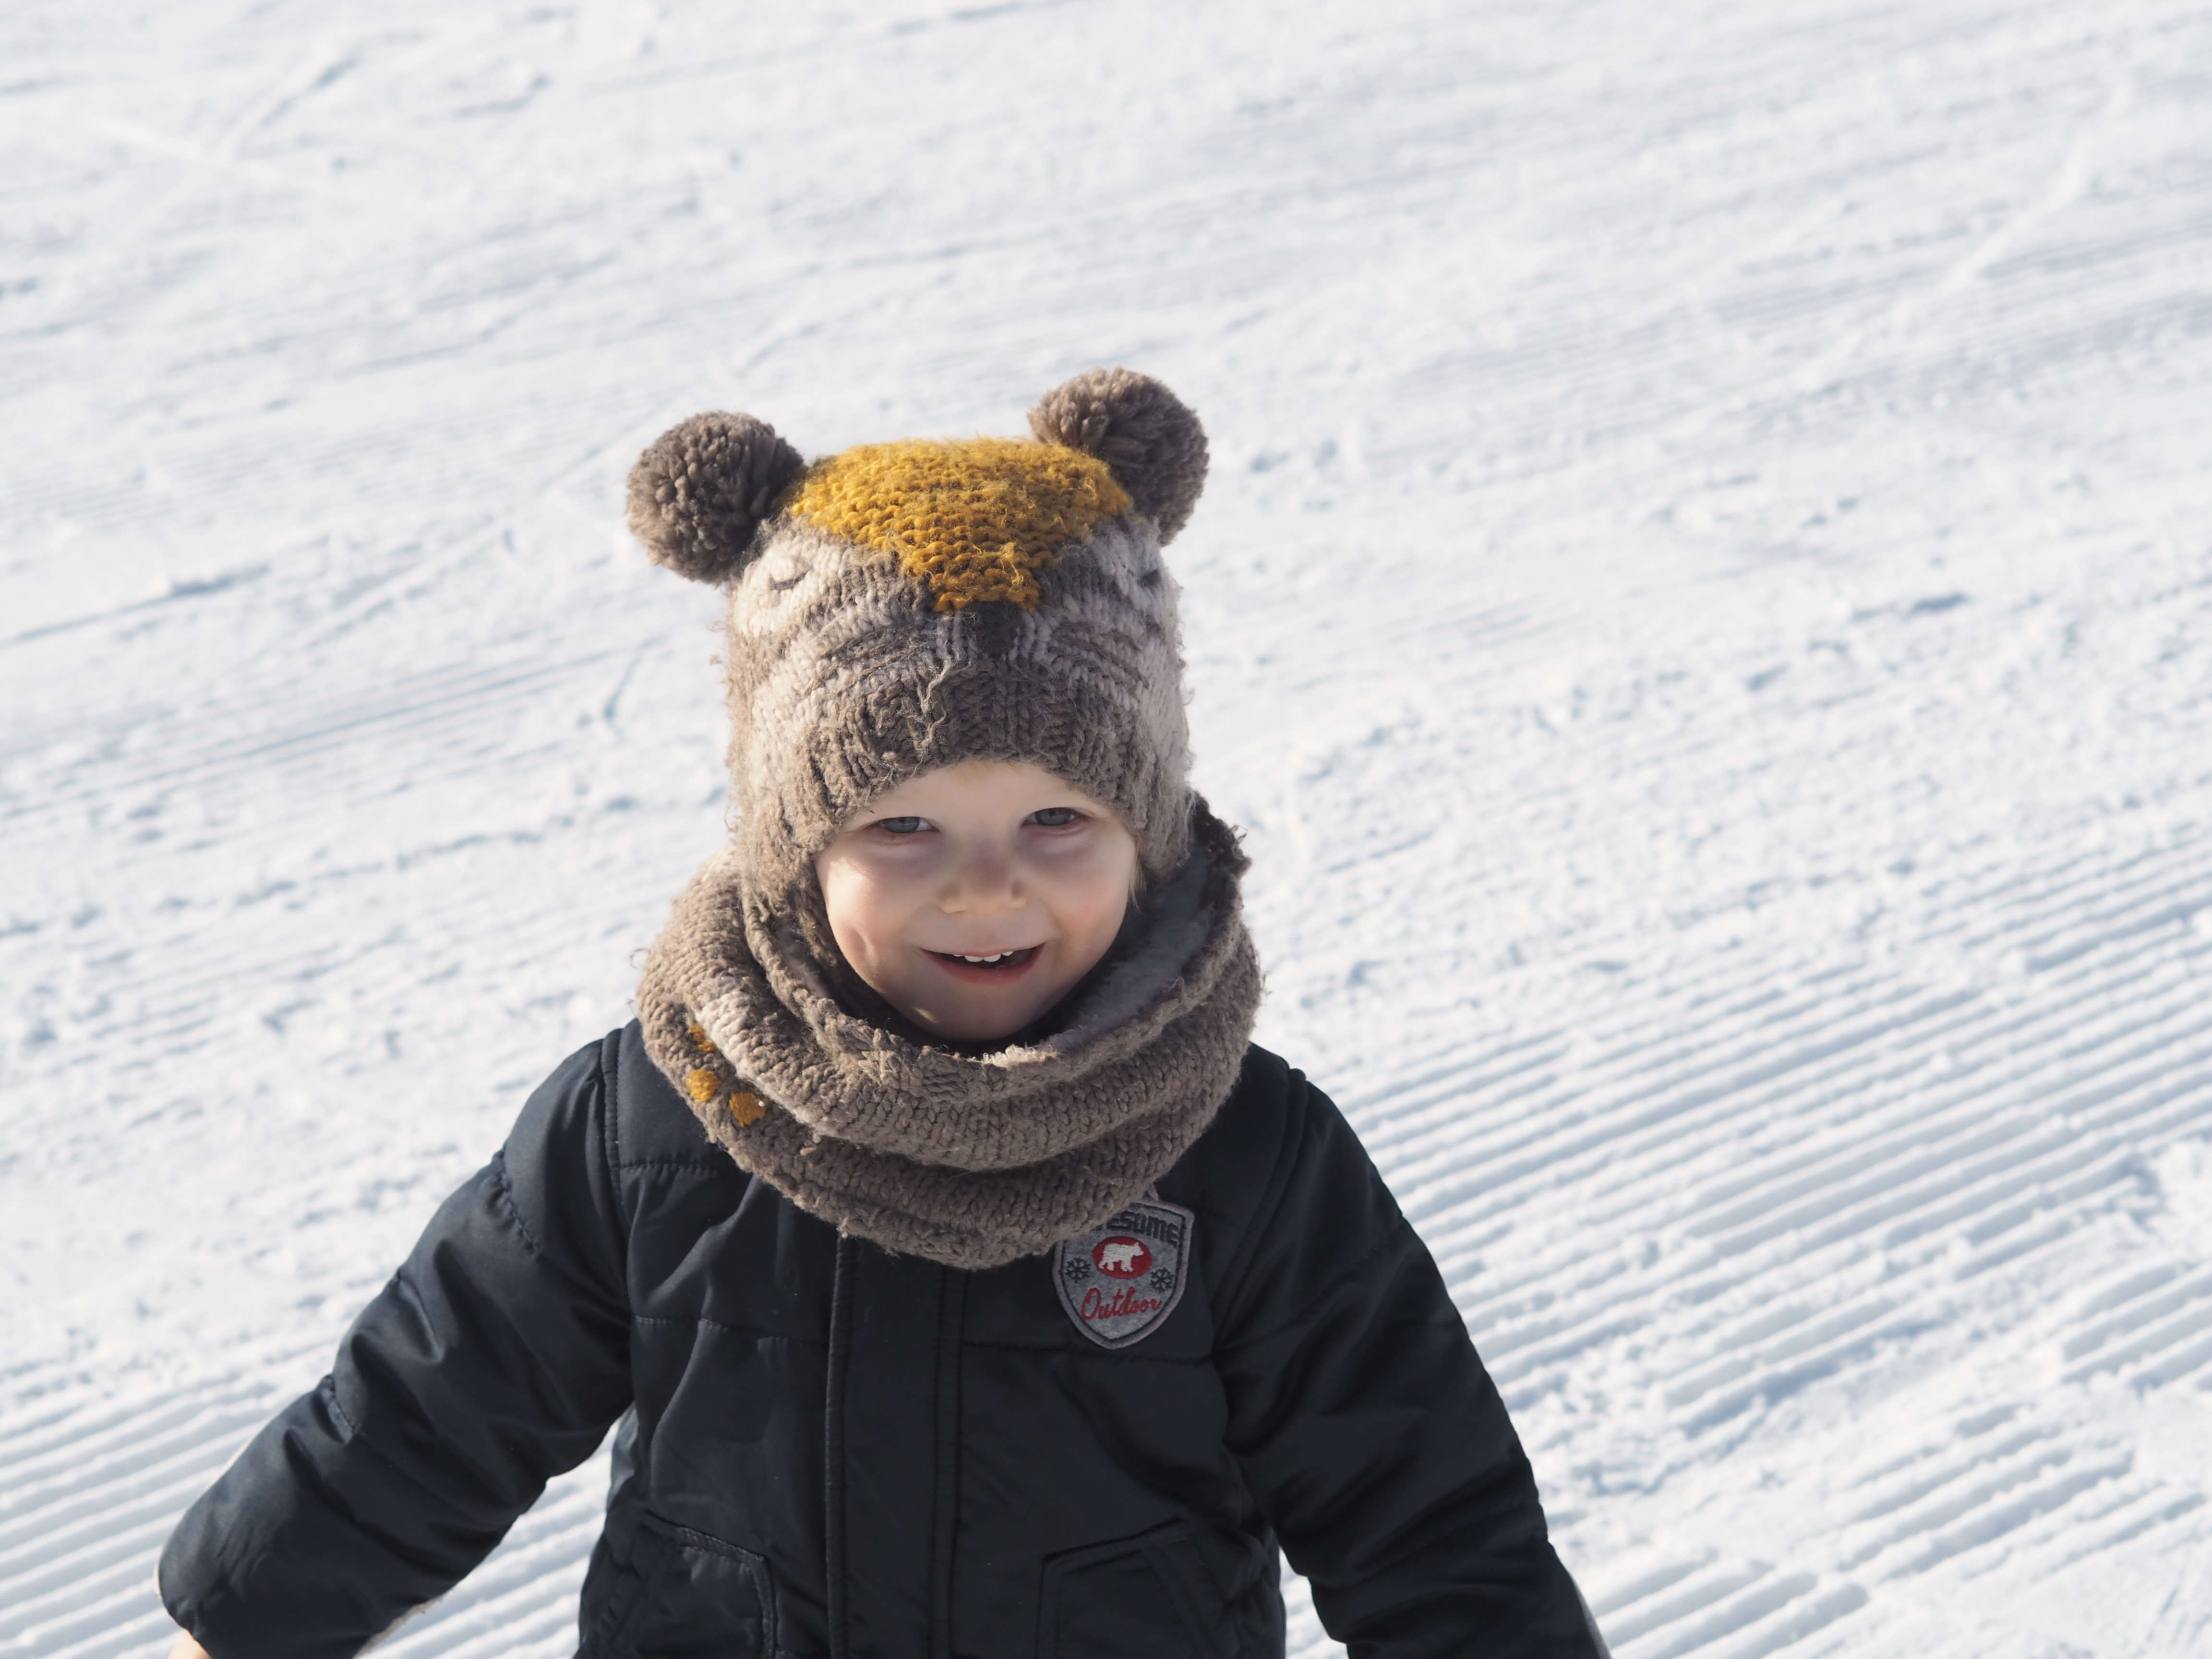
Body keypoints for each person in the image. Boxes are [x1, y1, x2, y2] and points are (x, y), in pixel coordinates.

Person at [158, 370, 1611, 1659]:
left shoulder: (1240, 1146)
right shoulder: (666, 1111)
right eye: (902, 827)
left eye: (1059, 817)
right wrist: (242, 1627)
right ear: (796, 847)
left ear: (1151, 831)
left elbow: (1424, 1517)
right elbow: (429, 1414)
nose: (986, 893)